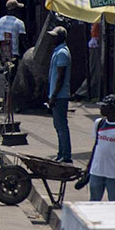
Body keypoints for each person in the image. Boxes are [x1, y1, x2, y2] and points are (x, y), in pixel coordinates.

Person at [86, 96, 115, 201]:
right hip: (96, 171)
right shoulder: (99, 123)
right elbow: (96, 145)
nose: (101, 109)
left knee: (114, 203)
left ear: (112, 109)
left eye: (104, 106)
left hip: (114, 173)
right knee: (93, 202)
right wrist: (89, 166)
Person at [47, 28, 72, 163]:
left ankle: (65, 155)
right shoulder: (58, 51)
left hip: (60, 96)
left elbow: (60, 77)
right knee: (58, 126)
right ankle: (61, 153)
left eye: (54, 37)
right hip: (56, 94)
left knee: (61, 127)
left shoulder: (62, 53)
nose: (52, 39)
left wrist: (54, 96)